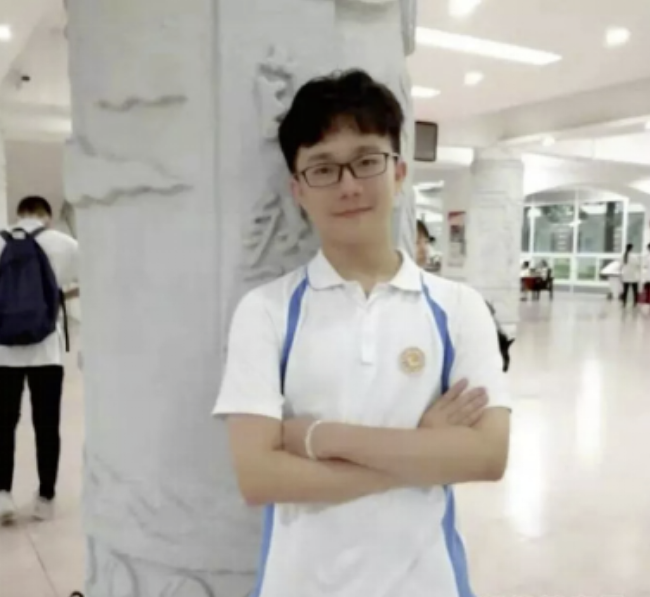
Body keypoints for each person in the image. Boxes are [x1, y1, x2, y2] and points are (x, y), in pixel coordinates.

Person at [213, 70, 510, 597]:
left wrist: (318, 438)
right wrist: (425, 451)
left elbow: (486, 457)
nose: (349, 185)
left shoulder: (459, 308)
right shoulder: (267, 311)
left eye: (367, 160)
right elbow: (258, 477)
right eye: (323, 168)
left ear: (399, 172)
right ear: (298, 189)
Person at [0, 196, 79, 524]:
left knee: (4, 425)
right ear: (46, 216)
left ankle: (2, 496)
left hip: (4, 350)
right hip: (46, 349)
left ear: (19, 214)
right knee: (47, 425)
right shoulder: (64, 244)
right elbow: (85, 280)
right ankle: (45, 498)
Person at [620, 243, 641, 307]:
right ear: (631, 248)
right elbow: (638, 265)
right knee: (635, 291)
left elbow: (621, 265)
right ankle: (635, 303)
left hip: (626, 275)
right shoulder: (634, 256)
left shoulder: (623, 256)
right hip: (633, 276)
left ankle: (624, 303)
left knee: (625, 291)